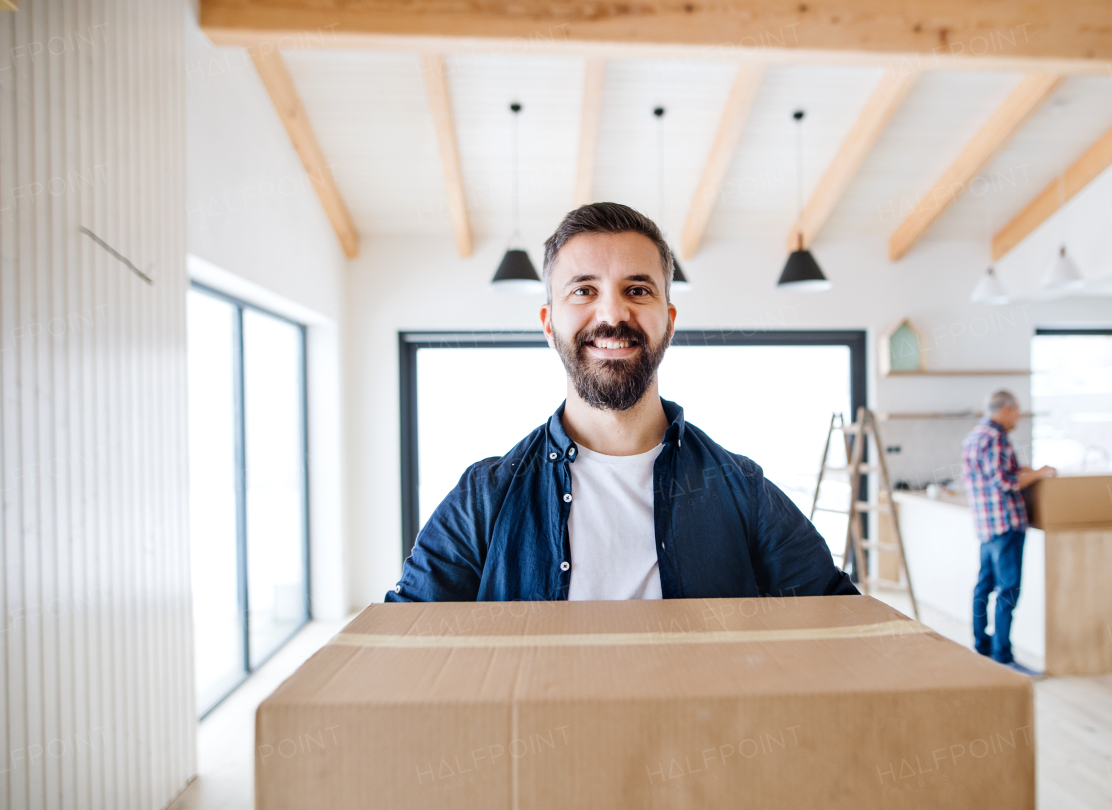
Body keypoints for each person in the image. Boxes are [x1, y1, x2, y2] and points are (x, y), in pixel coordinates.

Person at [386, 202, 856, 602]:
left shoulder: (742, 489)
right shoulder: (485, 497)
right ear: (549, 323)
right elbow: (400, 644)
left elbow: (842, 624)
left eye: (637, 290)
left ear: (668, 321)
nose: (612, 314)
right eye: (584, 290)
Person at [961, 390, 1055, 673]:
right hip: (1006, 524)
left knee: (984, 586)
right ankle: (1003, 655)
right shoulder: (997, 437)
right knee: (1008, 590)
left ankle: (981, 646)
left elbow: (994, 474)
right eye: (1016, 411)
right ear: (1005, 410)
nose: (1018, 417)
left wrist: (1022, 469)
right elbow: (1005, 481)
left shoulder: (974, 436)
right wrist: (1040, 473)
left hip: (986, 525)